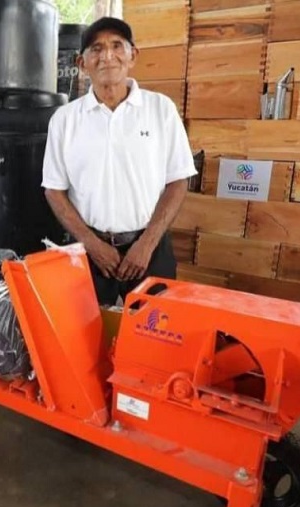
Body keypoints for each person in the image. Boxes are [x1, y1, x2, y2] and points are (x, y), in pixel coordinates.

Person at [41, 17, 197, 305]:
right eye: (96, 49)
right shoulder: (64, 120)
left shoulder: (160, 109)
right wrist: (92, 244)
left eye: (116, 46)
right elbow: (54, 189)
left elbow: (178, 180)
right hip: (89, 253)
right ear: (81, 62)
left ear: (132, 55)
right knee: (88, 337)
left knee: (154, 336)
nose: (107, 56)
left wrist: (146, 244)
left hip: (150, 250)